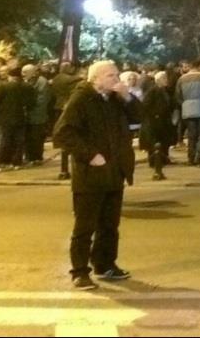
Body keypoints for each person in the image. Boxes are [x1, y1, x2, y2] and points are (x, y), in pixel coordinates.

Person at [53, 61, 139, 290]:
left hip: (114, 170)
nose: (117, 79)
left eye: (117, 75)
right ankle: (80, 271)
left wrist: (127, 97)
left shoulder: (114, 98)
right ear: (96, 78)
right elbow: (62, 133)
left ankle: (105, 263)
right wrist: (90, 155)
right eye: (111, 75)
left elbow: (140, 116)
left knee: (110, 224)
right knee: (85, 226)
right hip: (90, 173)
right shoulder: (81, 99)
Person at [0, 66, 33, 170]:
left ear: (10, 76)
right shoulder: (27, 86)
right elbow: (31, 103)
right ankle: (17, 162)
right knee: (19, 140)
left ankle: (2, 161)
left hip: (5, 117)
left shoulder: (4, 87)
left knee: (5, 140)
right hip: (20, 117)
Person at [141, 71, 176, 181]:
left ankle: (163, 159)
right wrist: (155, 114)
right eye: (164, 78)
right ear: (158, 80)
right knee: (155, 142)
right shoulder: (153, 91)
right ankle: (155, 162)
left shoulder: (165, 91)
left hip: (163, 120)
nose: (167, 80)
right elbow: (146, 105)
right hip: (154, 121)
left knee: (163, 141)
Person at [23, 64, 53, 166]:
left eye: (25, 72)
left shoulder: (42, 81)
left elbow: (43, 99)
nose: (23, 74)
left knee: (37, 137)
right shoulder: (27, 81)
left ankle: (36, 157)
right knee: (29, 137)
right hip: (28, 115)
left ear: (33, 72)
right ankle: (29, 157)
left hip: (38, 115)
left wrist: (30, 106)